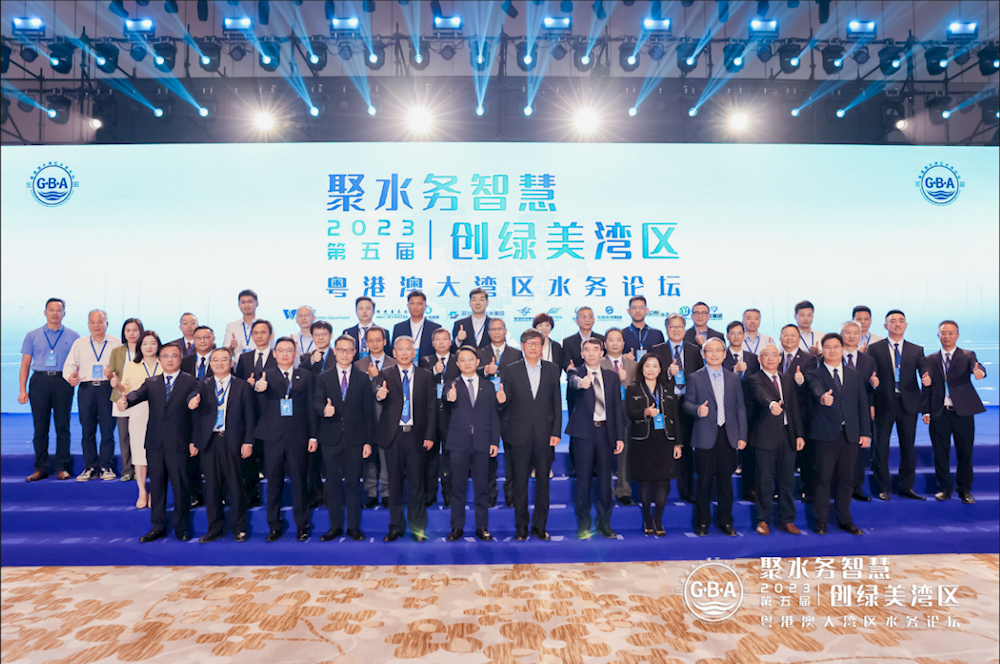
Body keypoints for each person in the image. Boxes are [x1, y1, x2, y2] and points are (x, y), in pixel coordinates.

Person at [118, 343, 198, 543]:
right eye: (166, 356)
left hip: (179, 443)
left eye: (174, 356)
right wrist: (125, 401)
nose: (170, 359)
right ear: (160, 359)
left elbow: (195, 400)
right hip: (154, 443)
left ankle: (181, 527)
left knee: (180, 487)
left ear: (180, 358)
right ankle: (158, 526)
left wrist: (193, 403)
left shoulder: (191, 381)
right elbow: (136, 395)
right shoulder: (151, 382)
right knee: (157, 487)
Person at [498, 329, 562, 541]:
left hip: (545, 435)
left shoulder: (552, 369)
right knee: (520, 484)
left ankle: (539, 526)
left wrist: (556, 432)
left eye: (537, 343)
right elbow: (506, 402)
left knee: (543, 483)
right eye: (529, 343)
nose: (533, 347)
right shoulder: (511, 369)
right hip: (519, 434)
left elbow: (556, 403)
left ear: (542, 346)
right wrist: (501, 400)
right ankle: (521, 527)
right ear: (522, 346)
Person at [805, 333, 871, 536]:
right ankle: (821, 521)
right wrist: (822, 398)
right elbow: (816, 390)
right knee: (823, 479)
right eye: (827, 347)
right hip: (825, 435)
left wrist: (865, 433)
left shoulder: (854, 375)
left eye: (836, 347)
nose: (832, 350)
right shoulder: (814, 374)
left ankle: (845, 520)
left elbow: (862, 404)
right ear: (822, 351)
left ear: (842, 349)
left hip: (850, 435)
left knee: (847, 480)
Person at [254, 337, 318, 542]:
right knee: (273, 484)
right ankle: (274, 526)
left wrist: (313, 435)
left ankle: (302, 526)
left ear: (295, 353)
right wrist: (258, 389)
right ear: (274, 354)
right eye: (280, 350)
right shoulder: (265, 375)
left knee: (300, 483)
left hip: (298, 437)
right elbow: (256, 404)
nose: (284, 354)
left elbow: (310, 407)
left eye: (289, 350)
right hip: (272, 438)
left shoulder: (305, 376)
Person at [187, 347, 254, 543]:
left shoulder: (242, 386)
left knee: (236, 486)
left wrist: (248, 441)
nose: (219, 363)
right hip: (210, 442)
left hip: (234, 441)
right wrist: (191, 402)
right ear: (210, 363)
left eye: (224, 359)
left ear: (231, 363)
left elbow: (250, 416)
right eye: (215, 360)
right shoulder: (203, 385)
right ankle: (214, 528)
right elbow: (194, 411)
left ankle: (239, 528)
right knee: (212, 487)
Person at [683, 338, 748, 537]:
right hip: (705, 435)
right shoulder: (695, 377)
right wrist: (697, 410)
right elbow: (686, 403)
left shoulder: (733, 378)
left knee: (726, 483)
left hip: (728, 435)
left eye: (718, 350)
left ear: (724, 353)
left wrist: (742, 435)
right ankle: (702, 522)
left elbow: (740, 408)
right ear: (703, 354)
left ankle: (726, 522)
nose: (714, 354)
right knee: (703, 482)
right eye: (709, 350)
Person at [374, 336, 436, 542]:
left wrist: (430, 435)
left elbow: (431, 408)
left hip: (417, 436)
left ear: (414, 352)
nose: (404, 353)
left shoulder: (426, 376)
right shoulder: (385, 373)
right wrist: (380, 394)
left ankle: (418, 528)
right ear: (394, 352)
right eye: (400, 349)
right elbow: (377, 391)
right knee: (394, 484)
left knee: (417, 484)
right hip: (393, 436)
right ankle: (396, 527)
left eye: (408, 349)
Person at [314, 334, 375, 541]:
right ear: (335, 352)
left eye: (349, 350)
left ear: (355, 352)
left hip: (356, 440)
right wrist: (324, 410)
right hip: (330, 438)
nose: (345, 354)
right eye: (341, 350)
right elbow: (316, 402)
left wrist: (368, 442)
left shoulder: (362, 378)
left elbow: (369, 412)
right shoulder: (323, 377)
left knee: (353, 485)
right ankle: (335, 527)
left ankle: (353, 528)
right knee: (332, 485)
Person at [566, 338, 626, 540]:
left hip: (605, 433)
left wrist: (619, 437)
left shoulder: (612, 377)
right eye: (587, 350)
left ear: (602, 353)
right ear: (582, 354)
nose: (591, 353)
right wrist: (581, 383)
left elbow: (617, 408)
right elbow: (573, 382)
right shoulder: (575, 373)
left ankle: (604, 523)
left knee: (605, 481)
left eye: (595, 350)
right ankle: (583, 525)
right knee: (583, 481)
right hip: (583, 433)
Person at [923, 320, 987, 504]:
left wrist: (980, 372)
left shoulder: (967, 355)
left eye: (951, 333)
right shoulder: (930, 359)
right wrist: (925, 411)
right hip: (939, 412)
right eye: (943, 333)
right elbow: (926, 386)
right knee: (940, 452)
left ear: (957, 335)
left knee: (965, 452)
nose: (947, 336)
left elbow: (977, 366)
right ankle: (944, 488)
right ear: (938, 335)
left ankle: (964, 489)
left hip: (963, 412)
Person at [868, 310, 927, 501]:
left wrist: (926, 376)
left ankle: (906, 487)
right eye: (893, 321)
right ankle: (883, 487)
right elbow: (870, 376)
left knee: (908, 446)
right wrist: (871, 403)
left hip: (908, 404)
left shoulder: (916, 349)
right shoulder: (875, 349)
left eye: (901, 320)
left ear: (906, 325)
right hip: (883, 402)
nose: (897, 324)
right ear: (886, 326)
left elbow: (924, 368)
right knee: (880, 446)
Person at [444, 346, 501, 541]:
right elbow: (445, 399)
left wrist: (494, 441)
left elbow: (494, 415)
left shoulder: (489, 386)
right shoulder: (450, 385)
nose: (467, 362)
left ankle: (482, 527)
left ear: (477, 362)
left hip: (482, 443)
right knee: (457, 487)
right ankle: (456, 527)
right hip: (458, 443)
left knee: (482, 487)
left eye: (470, 359)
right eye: (463, 359)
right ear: (457, 364)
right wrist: (449, 397)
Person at [19, 298, 80, 481]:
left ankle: (62, 467)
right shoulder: (32, 335)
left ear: (64, 313)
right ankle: (40, 468)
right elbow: (25, 364)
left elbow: (78, 362)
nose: (55, 313)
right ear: (45, 312)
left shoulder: (73, 336)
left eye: (58, 310)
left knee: (63, 426)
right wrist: (22, 390)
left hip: (63, 381)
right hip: (39, 381)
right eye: (51, 310)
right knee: (40, 427)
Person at [748, 344, 805, 536]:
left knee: (787, 480)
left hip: (787, 435)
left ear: (780, 359)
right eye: (766, 355)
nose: (771, 358)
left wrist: (799, 434)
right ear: (760, 359)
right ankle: (763, 520)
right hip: (764, 437)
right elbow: (761, 395)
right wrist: (771, 404)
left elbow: (794, 409)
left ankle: (787, 520)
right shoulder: (754, 379)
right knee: (764, 481)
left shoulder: (787, 379)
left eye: (774, 355)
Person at [625, 354, 682, 536]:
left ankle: (659, 520)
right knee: (645, 482)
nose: (651, 370)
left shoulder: (668, 389)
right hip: (643, 440)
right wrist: (645, 412)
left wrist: (678, 443)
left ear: (660, 369)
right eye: (647, 366)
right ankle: (648, 519)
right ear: (642, 368)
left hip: (665, 439)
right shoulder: (632, 389)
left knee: (663, 482)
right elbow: (629, 412)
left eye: (654, 366)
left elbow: (675, 417)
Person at [651, 313, 704, 504]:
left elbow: (700, 376)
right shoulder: (656, 350)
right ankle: (659, 492)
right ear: (666, 329)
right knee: (663, 446)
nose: (676, 330)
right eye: (672, 327)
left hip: (688, 403)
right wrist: (667, 373)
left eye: (679, 327)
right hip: (666, 404)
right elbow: (649, 376)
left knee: (687, 448)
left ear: (685, 328)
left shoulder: (694, 350)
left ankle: (687, 490)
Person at [63, 309, 122, 481]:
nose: (96, 325)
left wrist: (114, 376)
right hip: (86, 389)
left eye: (100, 321)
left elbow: (123, 368)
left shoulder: (117, 343)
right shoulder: (79, 343)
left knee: (107, 429)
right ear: (88, 324)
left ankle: (105, 466)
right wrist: (70, 376)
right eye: (92, 322)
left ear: (106, 323)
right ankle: (89, 466)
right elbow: (69, 365)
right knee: (87, 429)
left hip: (107, 388)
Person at [111, 330, 163, 508]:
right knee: (140, 453)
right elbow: (125, 387)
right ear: (140, 346)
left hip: (161, 412)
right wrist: (116, 384)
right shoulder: (132, 365)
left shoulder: (164, 363)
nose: (149, 347)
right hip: (139, 412)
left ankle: (155, 492)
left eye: (153, 343)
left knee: (158, 454)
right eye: (145, 343)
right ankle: (142, 491)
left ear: (158, 345)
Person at [479, 318, 523, 507]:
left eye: (500, 328)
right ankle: (490, 494)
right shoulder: (480, 353)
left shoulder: (517, 353)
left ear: (506, 331)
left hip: (511, 409)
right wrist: (485, 370)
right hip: (486, 410)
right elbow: (471, 373)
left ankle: (511, 494)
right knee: (488, 455)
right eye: (493, 329)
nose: (497, 332)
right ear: (488, 332)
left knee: (512, 455)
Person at [235, 319, 276, 508]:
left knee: (271, 458)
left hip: (272, 412)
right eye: (256, 333)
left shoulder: (277, 355)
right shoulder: (244, 358)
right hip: (249, 413)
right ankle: (252, 496)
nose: (259, 336)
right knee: (249, 457)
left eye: (263, 332)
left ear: (270, 335)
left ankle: (272, 498)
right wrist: (247, 385)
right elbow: (237, 385)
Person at [561, 307, 604, 478]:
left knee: (598, 428)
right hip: (577, 390)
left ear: (594, 319)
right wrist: (576, 373)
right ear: (576, 320)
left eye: (589, 317)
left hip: (599, 388)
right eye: (583, 317)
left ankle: (596, 465)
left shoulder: (601, 339)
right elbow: (566, 363)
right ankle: (576, 465)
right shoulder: (568, 341)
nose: (586, 319)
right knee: (577, 426)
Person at [356, 326, 396, 508]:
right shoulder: (358, 365)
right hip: (366, 417)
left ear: (385, 342)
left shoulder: (395, 363)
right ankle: (371, 492)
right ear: (366, 343)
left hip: (388, 415)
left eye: (378, 339)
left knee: (387, 456)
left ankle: (387, 492)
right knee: (369, 456)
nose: (374, 343)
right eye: (370, 340)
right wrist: (371, 379)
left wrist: (377, 377)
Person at [419, 328, 460, 507]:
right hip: (430, 415)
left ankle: (449, 493)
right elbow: (420, 381)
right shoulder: (425, 361)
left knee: (450, 458)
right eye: (438, 339)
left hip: (452, 414)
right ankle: (430, 494)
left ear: (451, 342)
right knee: (430, 458)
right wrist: (434, 371)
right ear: (432, 343)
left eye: (445, 339)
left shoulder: (458, 360)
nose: (442, 342)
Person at [296, 320, 334, 508]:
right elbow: (298, 377)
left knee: (332, 459)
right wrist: (311, 361)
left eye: (324, 334)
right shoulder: (306, 358)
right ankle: (316, 495)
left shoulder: (338, 355)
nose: (321, 338)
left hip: (333, 411)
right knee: (313, 459)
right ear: (311, 337)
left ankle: (332, 496)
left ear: (331, 336)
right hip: (311, 413)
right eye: (317, 334)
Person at [839, 320, 879, 502]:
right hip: (835, 411)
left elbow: (871, 388)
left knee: (857, 453)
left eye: (856, 333)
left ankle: (857, 488)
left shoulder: (868, 360)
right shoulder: (832, 356)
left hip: (858, 411)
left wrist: (874, 386)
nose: (852, 336)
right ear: (841, 334)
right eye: (848, 332)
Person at [778, 323, 816, 501]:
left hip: (801, 413)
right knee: (781, 454)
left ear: (799, 338)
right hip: (778, 413)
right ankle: (779, 490)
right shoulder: (774, 357)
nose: (789, 338)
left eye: (793, 335)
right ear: (780, 338)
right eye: (785, 335)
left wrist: (801, 381)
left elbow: (813, 384)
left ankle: (807, 489)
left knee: (805, 454)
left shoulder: (809, 359)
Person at [179, 325, 216, 509]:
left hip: (213, 413)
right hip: (189, 414)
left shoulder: (221, 359)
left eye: (206, 337)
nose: (202, 341)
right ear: (193, 340)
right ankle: (195, 494)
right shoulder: (184, 362)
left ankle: (217, 495)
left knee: (213, 457)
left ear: (213, 340)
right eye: (199, 337)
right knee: (191, 457)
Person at [722, 321, 760, 497]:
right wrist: (734, 370)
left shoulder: (752, 357)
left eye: (739, 333)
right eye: (733, 333)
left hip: (749, 407)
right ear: (727, 336)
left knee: (749, 448)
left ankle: (749, 489)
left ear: (744, 336)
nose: (736, 336)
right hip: (727, 405)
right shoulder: (721, 355)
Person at [602, 328, 638, 506]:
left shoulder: (634, 365)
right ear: (605, 344)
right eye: (611, 340)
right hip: (605, 413)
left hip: (627, 413)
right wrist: (616, 379)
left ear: (623, 343)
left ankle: (624, 490)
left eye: (618, 340)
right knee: (605, 454)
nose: (615, 343)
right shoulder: (598, 363)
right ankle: (606, 491)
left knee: (625, 454)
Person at [108, 318, 144, 483]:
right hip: (120, 397)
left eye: (135, 330)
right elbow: (112, 373)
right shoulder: (117, 351)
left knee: (141, 435)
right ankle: (127, 470)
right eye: (128, 330)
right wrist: (109, 376)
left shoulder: (145, 349)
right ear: (124, 333)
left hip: (141, 398)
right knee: (124, 436)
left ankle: (141, 469)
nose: (131, 333)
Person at [391, 290, 441, 362]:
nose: (415, 306)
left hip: (428, 366)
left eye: (419, 304)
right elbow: (393, 352)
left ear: (425, 306)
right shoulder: (398, 328)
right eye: (412, 303)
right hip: (404, 365)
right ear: (408, 306)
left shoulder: (435, 328)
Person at [223, 289, 266, 356]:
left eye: (250, 302)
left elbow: (271, 349)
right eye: (243, 302)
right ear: (239, 305)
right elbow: (226, 353)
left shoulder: (265, 326)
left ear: (257, 303)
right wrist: (231, 347)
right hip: (238, 362)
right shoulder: (231, 326)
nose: (246, 305)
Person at [343, 296, 378, 362]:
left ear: (373, 311)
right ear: (356, 312)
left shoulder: (383, 332)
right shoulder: (348, 332)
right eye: (361, 308)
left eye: (368, 308)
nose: (364, 311)